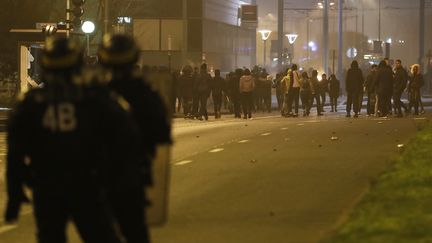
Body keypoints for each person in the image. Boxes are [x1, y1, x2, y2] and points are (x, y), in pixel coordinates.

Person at [5, 36, 141, 243]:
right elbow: (126, 141)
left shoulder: (31, 104)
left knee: (50, 237)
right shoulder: (95, 99)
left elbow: (15, 153)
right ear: (78, 65)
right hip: (87, 184)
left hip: (46, 185)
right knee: (101, 236)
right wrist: (121, 182)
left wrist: (15, 195)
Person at [99, 33, 172, 243]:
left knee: (100, 231)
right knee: (135, 230)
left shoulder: (92, 93)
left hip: (97, 174)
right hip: (131, 171)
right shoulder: (145, 93)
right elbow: (161, 132)